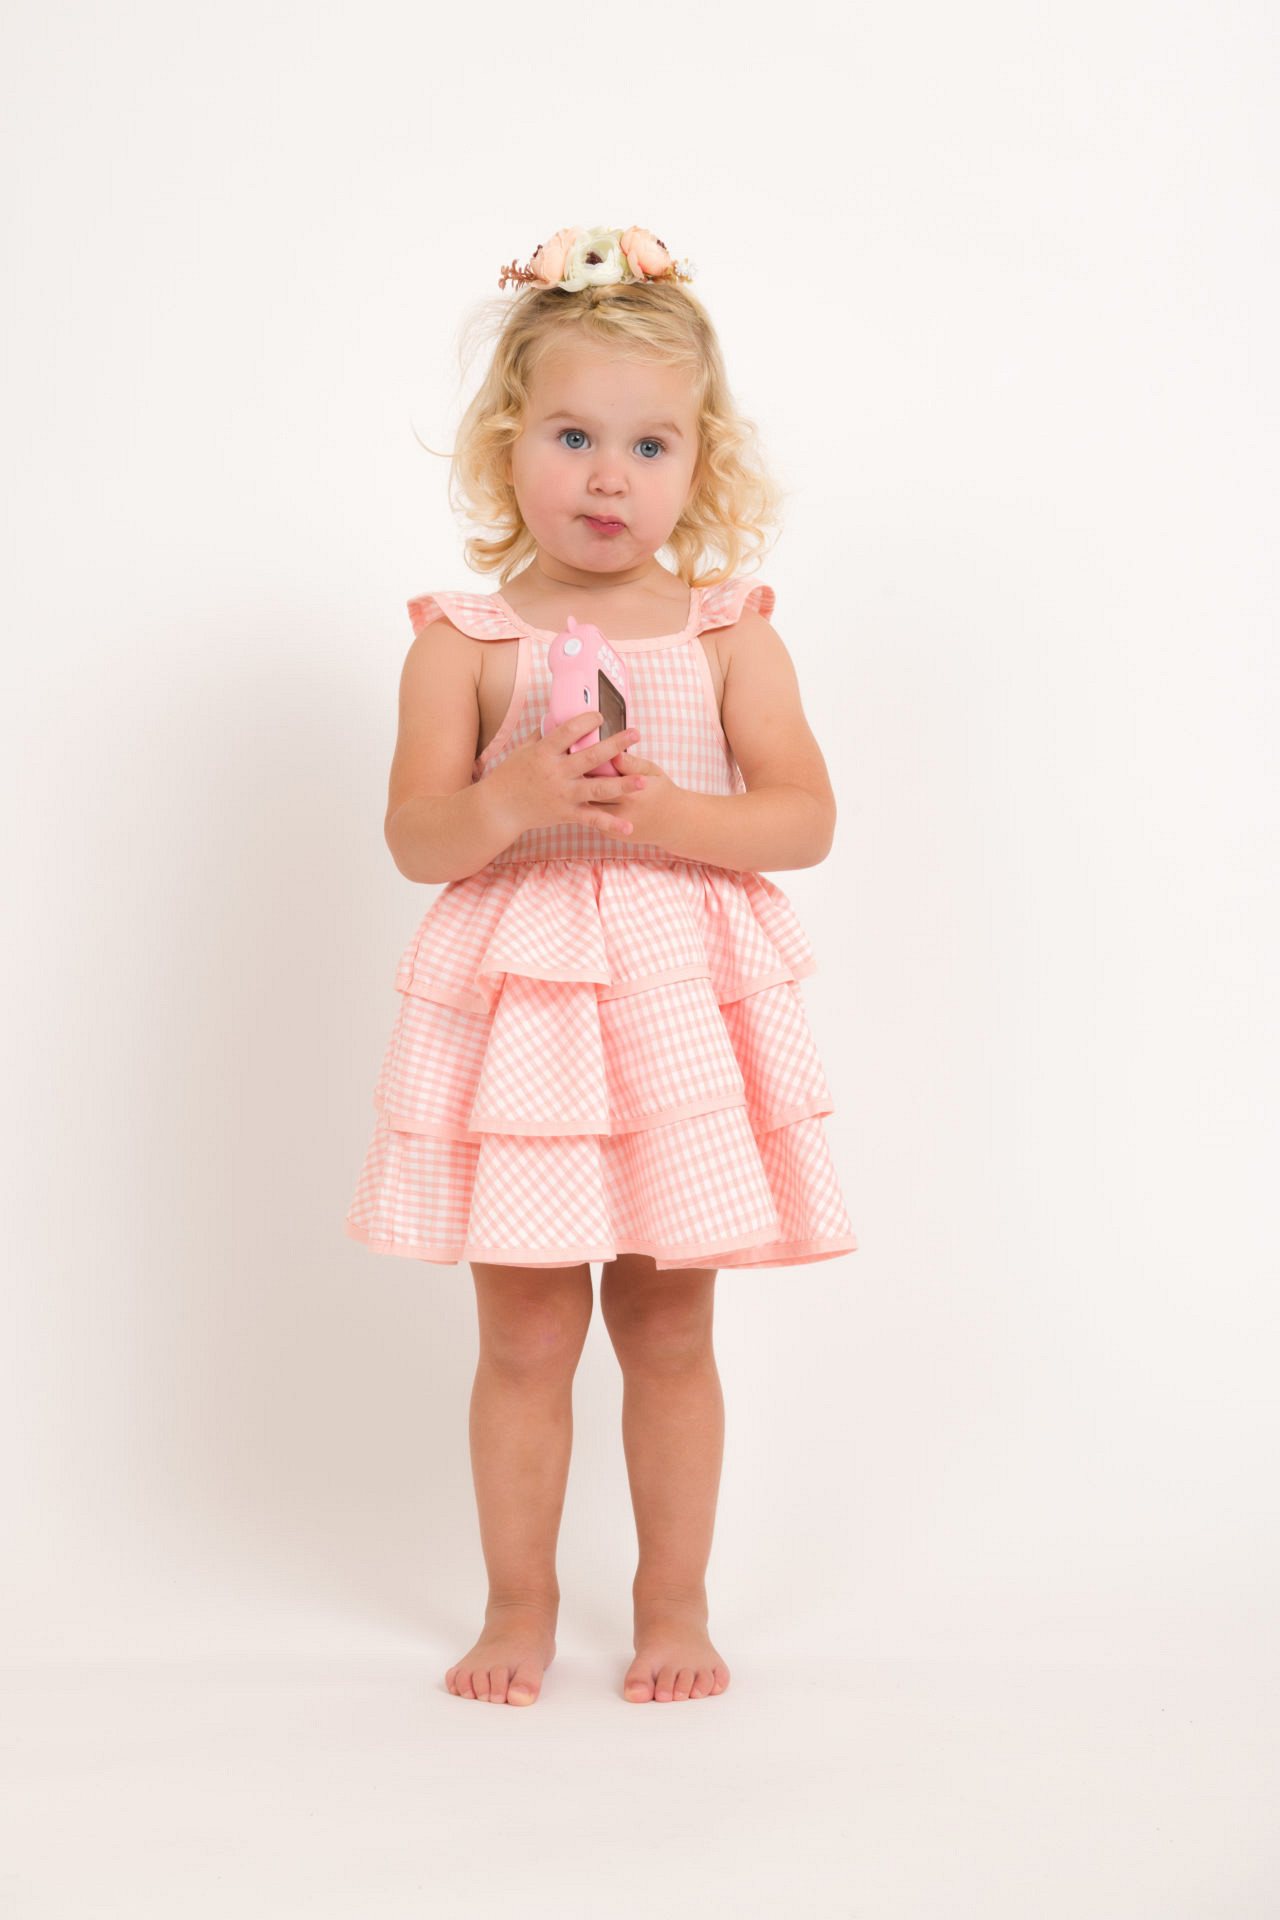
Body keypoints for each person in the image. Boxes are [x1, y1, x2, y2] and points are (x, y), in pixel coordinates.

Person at [344, 223, 858, 1708]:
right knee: (523, 1333)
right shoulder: (466, 642)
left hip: (672, 1019)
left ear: (703, 461)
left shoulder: (727, 634)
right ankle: (517, 1605)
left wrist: (676, 813)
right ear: (508, 447)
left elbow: (806, 818)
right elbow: (416, 838)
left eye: (650, 443)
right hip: (527, 1027)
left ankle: (673, 1607)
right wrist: (511, 798)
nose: (610, 477)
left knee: (669, 1325)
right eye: (573, 436)